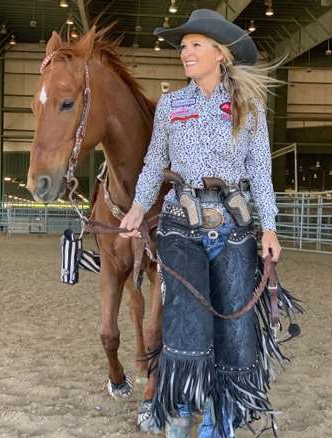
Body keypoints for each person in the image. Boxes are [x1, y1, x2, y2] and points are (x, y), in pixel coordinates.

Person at [119, 9, 298, 438]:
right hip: (181, 226)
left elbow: (259, 173)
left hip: (234, 229)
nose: (185, 52)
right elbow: (153, 163)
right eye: (183, 46)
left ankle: (220, 423)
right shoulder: (170, 105)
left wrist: (269, 227)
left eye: (195, 44)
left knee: (234, 329)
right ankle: (179, 417)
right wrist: (140, 207)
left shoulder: (247, 107)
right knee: (187, 324)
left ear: (220, 53)